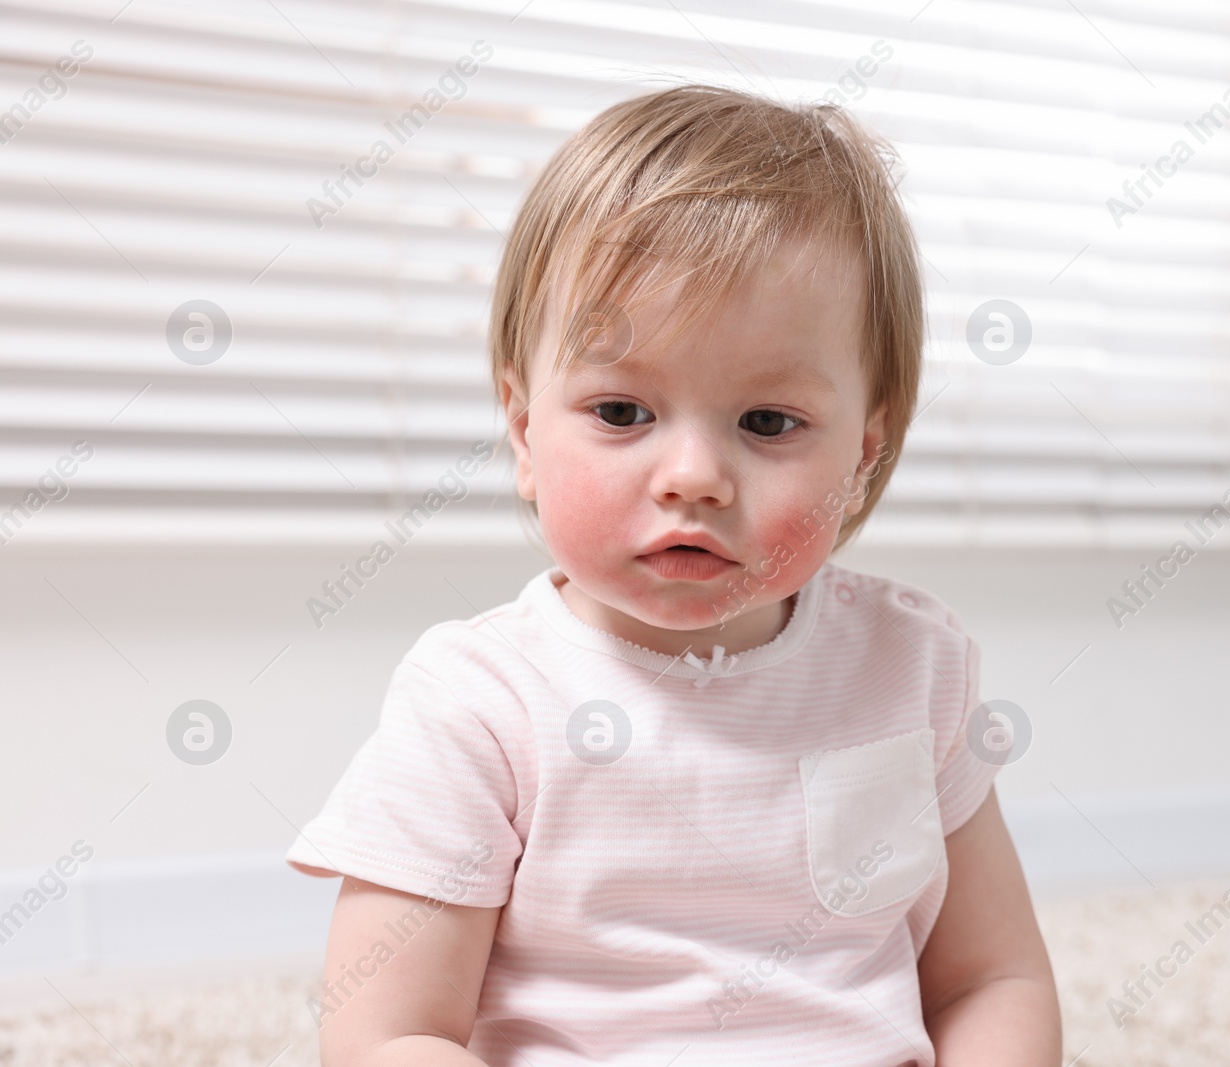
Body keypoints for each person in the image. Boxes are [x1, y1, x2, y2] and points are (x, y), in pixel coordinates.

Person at [287, 83, 1061, 1067]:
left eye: (767, 422)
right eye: (620, 412)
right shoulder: (479, 702)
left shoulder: (911, 665)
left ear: (864, 454)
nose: (693, 475)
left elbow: (991, 977)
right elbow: (388, 1030)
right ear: (525, 432)